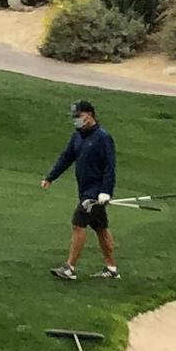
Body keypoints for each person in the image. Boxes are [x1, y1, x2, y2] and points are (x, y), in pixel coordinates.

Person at [42, 99, 119, 281]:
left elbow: (110, 166)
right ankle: (111, 268)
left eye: (79, 116)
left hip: (95, 193)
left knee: (78, 224)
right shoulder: (77, 136)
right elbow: (66, 157)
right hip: (84, 190)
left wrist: (106, 191)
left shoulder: (103, 137)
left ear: (89, 115)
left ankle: (70, 268)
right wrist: (50, 177)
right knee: (101, 228)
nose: (76, 120)